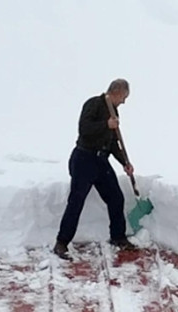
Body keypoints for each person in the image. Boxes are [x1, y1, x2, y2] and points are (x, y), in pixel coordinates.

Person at [53, 79, 137, 259]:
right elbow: (84, 129)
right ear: (117, 91)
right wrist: (106, 124)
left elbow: (113, 142)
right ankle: (61, 243)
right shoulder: (94, 104)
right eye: (124, 97)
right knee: (76, 201)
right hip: (84, 159)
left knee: (116, 197)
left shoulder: (114, 112)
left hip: (101, 161)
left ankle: (118, 237)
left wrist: (124, 162)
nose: (124, 101)